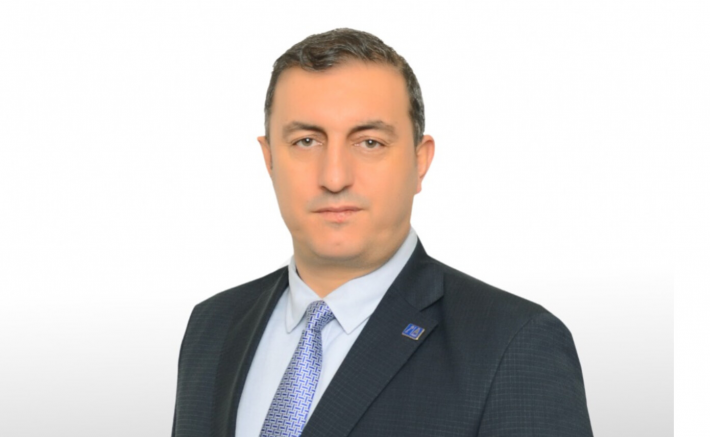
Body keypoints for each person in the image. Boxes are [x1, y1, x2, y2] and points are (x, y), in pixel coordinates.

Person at [172, 28, 593, 437]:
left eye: (369, 142)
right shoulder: (213, 326)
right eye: (306, 141)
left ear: (420, 161)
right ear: (269, 159)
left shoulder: (514, 344)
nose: (334, 177)